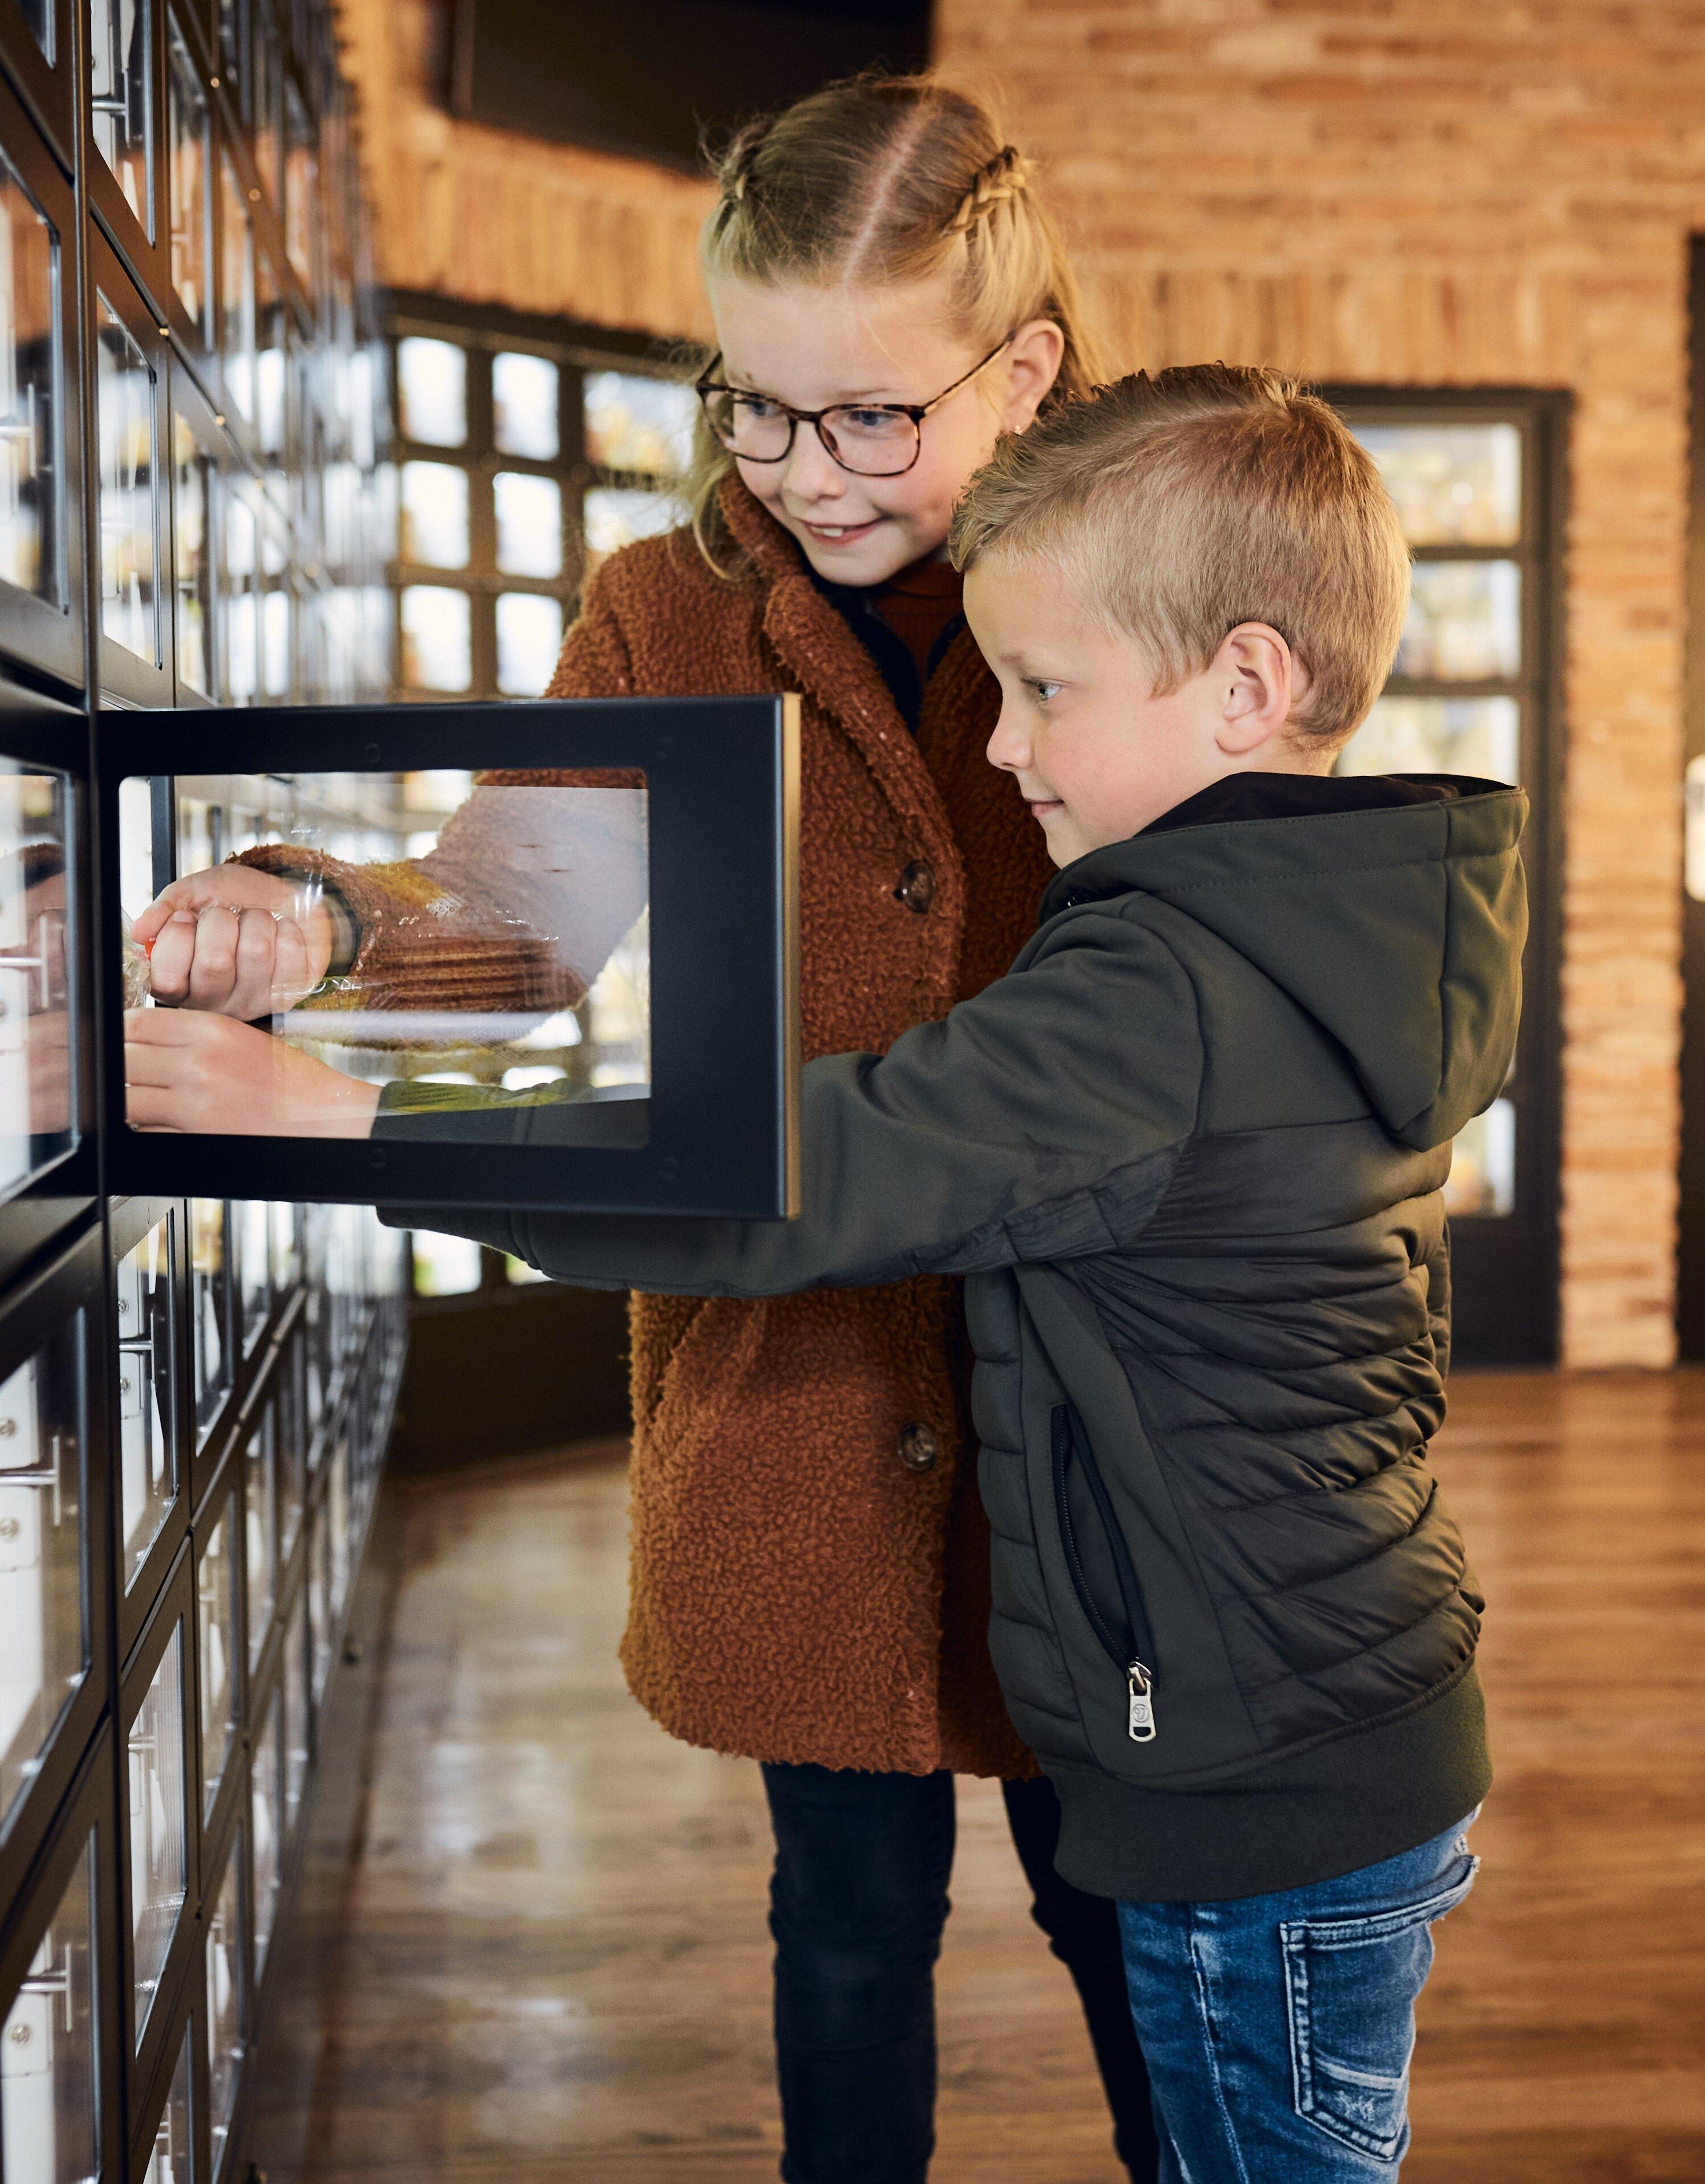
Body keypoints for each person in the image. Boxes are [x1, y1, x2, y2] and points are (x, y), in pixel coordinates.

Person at [121, 76, 1163, 2184]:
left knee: (1125, 1904)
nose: (804, 472)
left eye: (871, 415)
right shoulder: (664, 603)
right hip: (798, 1389)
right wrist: (314, 911)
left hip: (1117, 1386)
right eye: (755, 410)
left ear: (1027, 364)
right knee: (847, 1921)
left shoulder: (1147, 564)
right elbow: (511, 931)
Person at [392, 364, 1524, 2183]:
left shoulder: (1163, 994)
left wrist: (371, 1135)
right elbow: (492, 919)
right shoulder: (1320, 917)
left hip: (1256, 1779)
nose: (1003, 749)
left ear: (1246, 684)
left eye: (1048, 694)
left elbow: (792, 1175)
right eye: (750, 404)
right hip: (1324, 1727)